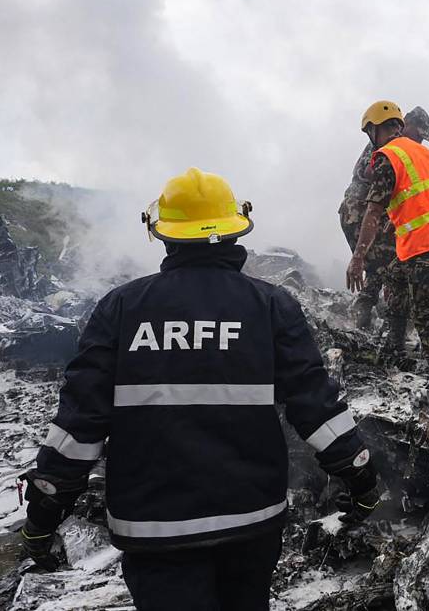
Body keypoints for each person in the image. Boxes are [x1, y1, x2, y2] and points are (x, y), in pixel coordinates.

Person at [20, 168, 379, 610]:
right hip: (251, 520)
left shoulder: (121, 308)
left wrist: (43, 513)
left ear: (165, 235)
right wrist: (360, 475)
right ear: (233, 231)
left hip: (154, 529)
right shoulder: (269, 305)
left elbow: (79, 426)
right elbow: (315, 404)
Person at [347, 101, 429, 392]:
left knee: (423, 309)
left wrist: (358, 258)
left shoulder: (388, 156)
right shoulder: (420, 150)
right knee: (396, 277)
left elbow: (373, 212)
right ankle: (395, 350)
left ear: (375, 129)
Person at [338, 107, 429, 330]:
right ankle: (379, 320)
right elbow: (371, 180)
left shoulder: (397, 146)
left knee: (382, 262)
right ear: (406, 125)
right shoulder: (386, 145)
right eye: (419, 135)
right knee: (386, 261)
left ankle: (369, 315)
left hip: (369, 212)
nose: (420, 141)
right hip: (360, 211)